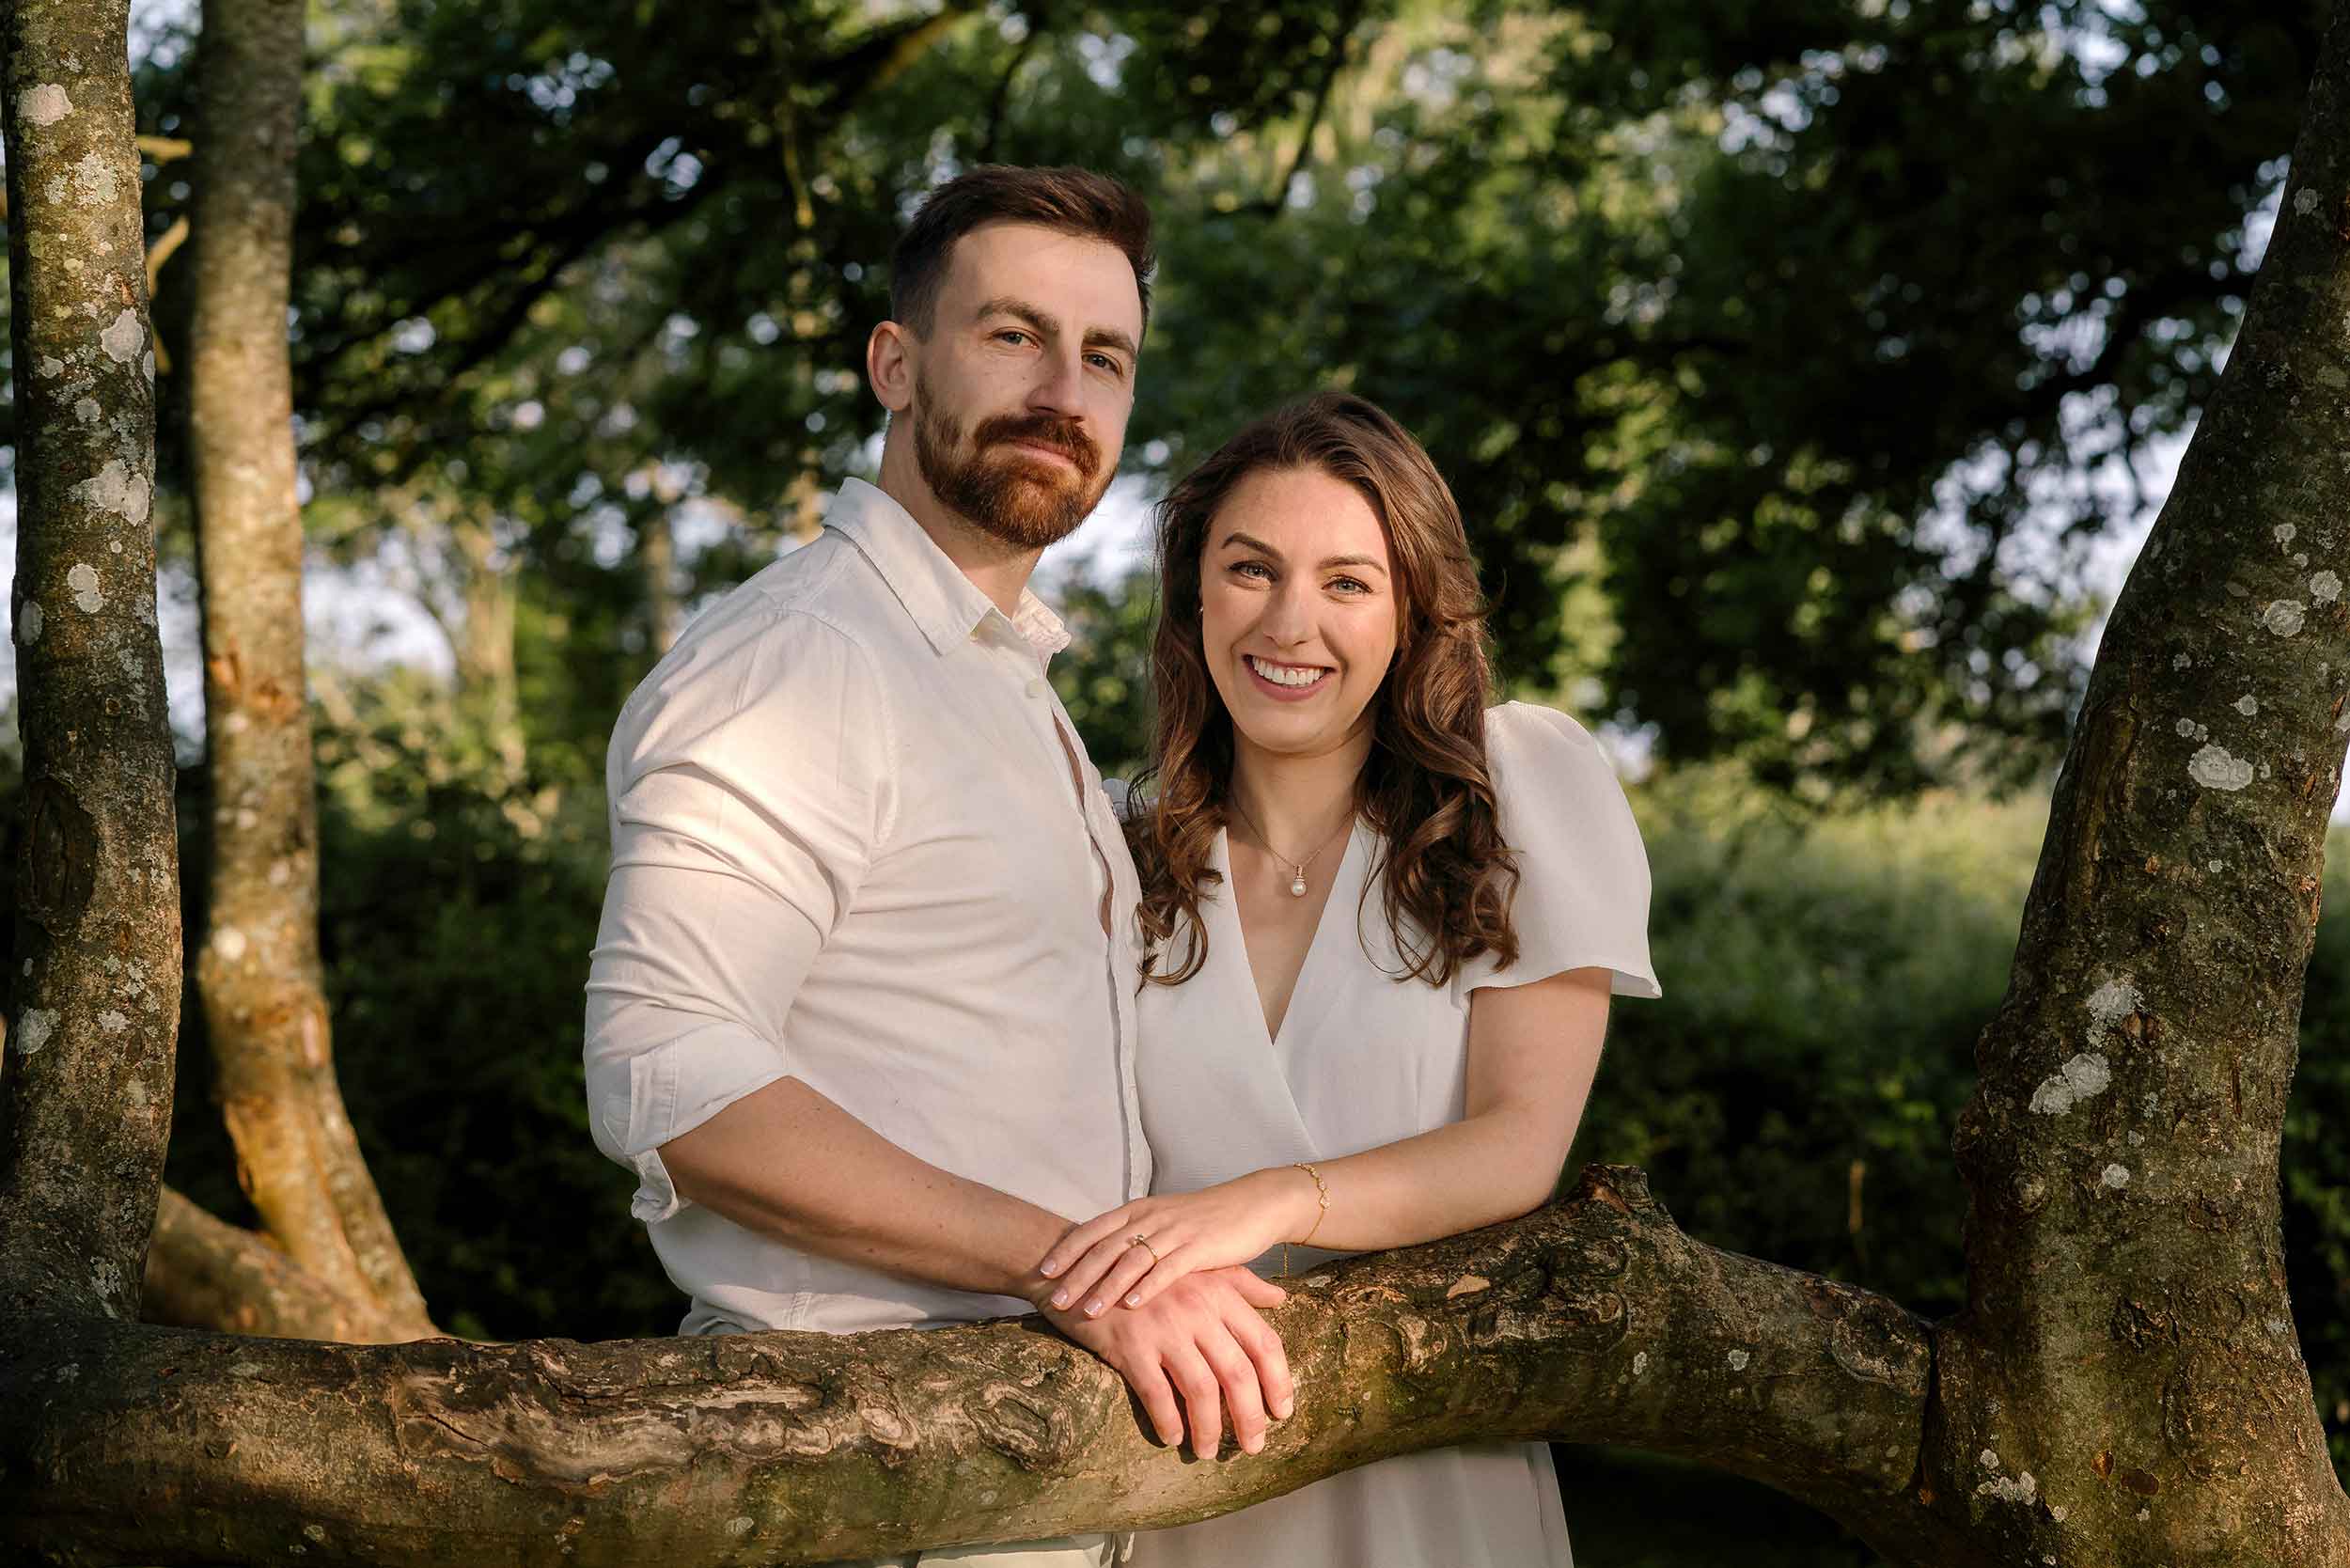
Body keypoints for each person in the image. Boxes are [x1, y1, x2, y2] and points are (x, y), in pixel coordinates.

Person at [582, 165, 1292, 1568]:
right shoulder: (805, 659)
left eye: (1105, 358)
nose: (1063, 393)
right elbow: (667, 1072)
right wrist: (1080, 1273)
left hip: (1020, 1485)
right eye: (1013, 335)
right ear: (896, 365)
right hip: (843, 1473)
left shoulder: (1002, 683)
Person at [1037, 392, 1659, 1568]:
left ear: (1412, 610)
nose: (1290, 623)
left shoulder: (1517, 794)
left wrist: (1265, 1202)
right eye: (1250, 569)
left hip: (1426, 1467)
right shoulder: (1113, 853)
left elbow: (1518, 1147)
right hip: (1179, 1462)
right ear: (1195, 596)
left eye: (1347, 582)